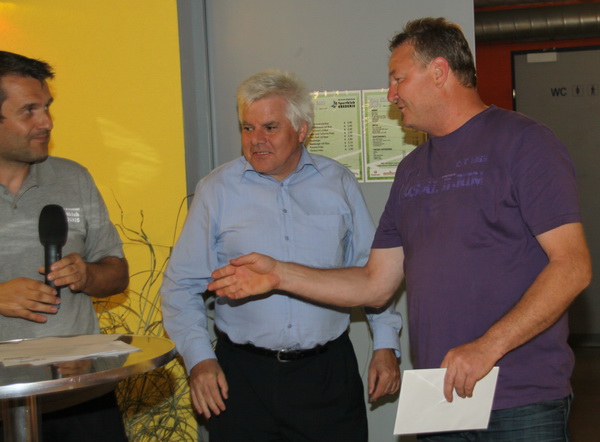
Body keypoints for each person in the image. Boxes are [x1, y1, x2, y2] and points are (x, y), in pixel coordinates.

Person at [208, 18, 593, 441]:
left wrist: (488, 346)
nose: (391, 95)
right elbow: (375, 285)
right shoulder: (411, 170)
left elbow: (572, 267)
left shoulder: (524, 142)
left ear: (439, 72)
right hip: (440, 397)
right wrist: (279, 274)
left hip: (520, 398)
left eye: (398, 79)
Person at [161, 69, 402, 441]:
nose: (256, 140)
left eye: (270, 127)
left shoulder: (338, 183)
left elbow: (372, 274)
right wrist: (199, 360)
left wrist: (385, 344)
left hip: (326, 376)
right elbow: (180, 286)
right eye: (247, 128)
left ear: (302, 130)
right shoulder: (216, 190)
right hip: (242, 379)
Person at [0, 51, 129, 441]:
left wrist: (87, 274)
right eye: (29, 111)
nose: (46, 122)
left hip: (80, 396)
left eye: (47, 107)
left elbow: (117, 272)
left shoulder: (74, 179)